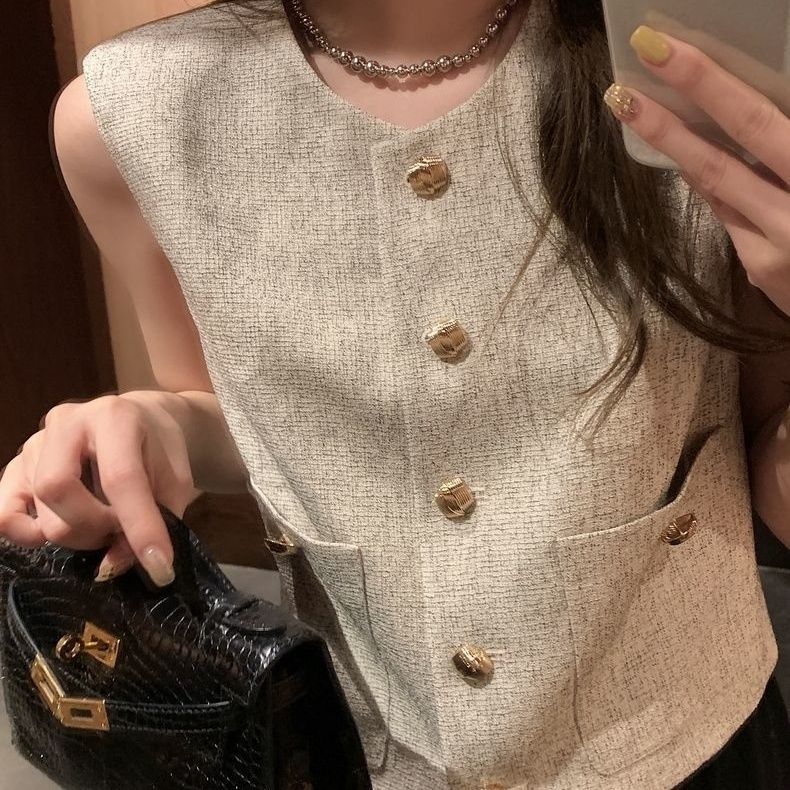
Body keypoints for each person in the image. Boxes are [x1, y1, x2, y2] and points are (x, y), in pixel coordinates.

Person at [2, 0, 790, 786]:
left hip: (694, 744)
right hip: (351, 748)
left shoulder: (705, 70)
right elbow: (233, 416)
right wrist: (157, 425)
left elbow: (765, 459)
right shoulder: (133, 113)